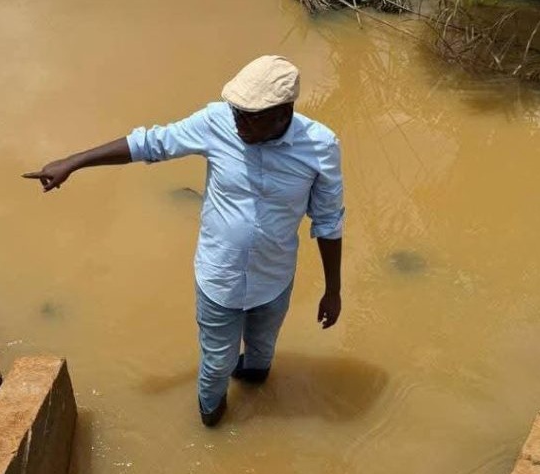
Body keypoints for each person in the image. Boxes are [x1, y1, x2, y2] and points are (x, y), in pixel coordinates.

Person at [23, 55, 344, 427]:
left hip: (274, 279)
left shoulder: (320, 146)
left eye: (249, 115)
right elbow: (151, 143)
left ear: (283, 111)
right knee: (216, 365)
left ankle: (256, 392)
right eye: (236, 111)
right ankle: (213, 424)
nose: (237, 121)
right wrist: (73, 162)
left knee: (261, 352)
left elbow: (328, 220)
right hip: (218, 279)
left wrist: (333, 290)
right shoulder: (217, 122)